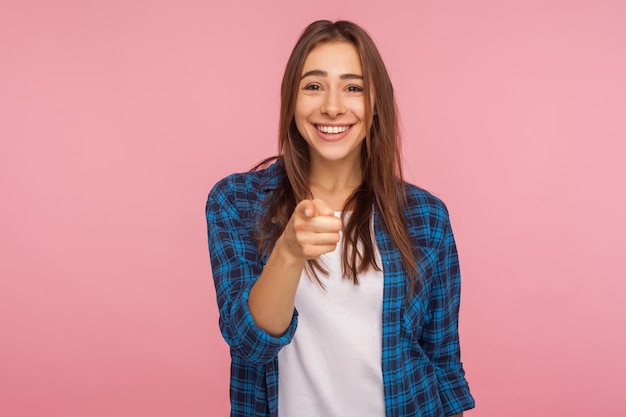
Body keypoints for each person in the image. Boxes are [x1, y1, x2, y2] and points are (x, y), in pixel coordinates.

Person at [206, 20, 474, 417]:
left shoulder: (426, 216)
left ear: (375, 102)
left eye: (353, 87)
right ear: (291, 100)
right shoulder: (237, 202)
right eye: (313, 86)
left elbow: (443, 364)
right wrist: (289, 252)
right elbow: (251, 343)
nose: (332, 106)